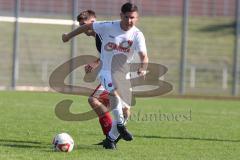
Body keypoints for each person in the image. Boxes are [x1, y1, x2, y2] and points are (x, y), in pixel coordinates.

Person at [62, 2, 148, 149]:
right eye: (126, 17)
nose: (129, 21)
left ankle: (111, 139)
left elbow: (143, 55)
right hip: (107, 72)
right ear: (121, 16)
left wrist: (143, 68)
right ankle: (119, 126)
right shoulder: (107, 28)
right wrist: (68, 36)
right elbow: (91, 32)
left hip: (123, 75)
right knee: (107, 95)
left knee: (126, 111)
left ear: (137, 18)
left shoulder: (136, 35)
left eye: (132, 18)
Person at [76, 10, 130, 144]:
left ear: (93, 22)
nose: (82, 28)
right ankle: (113, 136)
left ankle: (111, 137)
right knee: (123, 108)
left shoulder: (101, 33)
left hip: (117, 73)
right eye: (80, 25)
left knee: (94, 100)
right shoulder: (100, 35)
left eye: (84, 24)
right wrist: (96, 62)